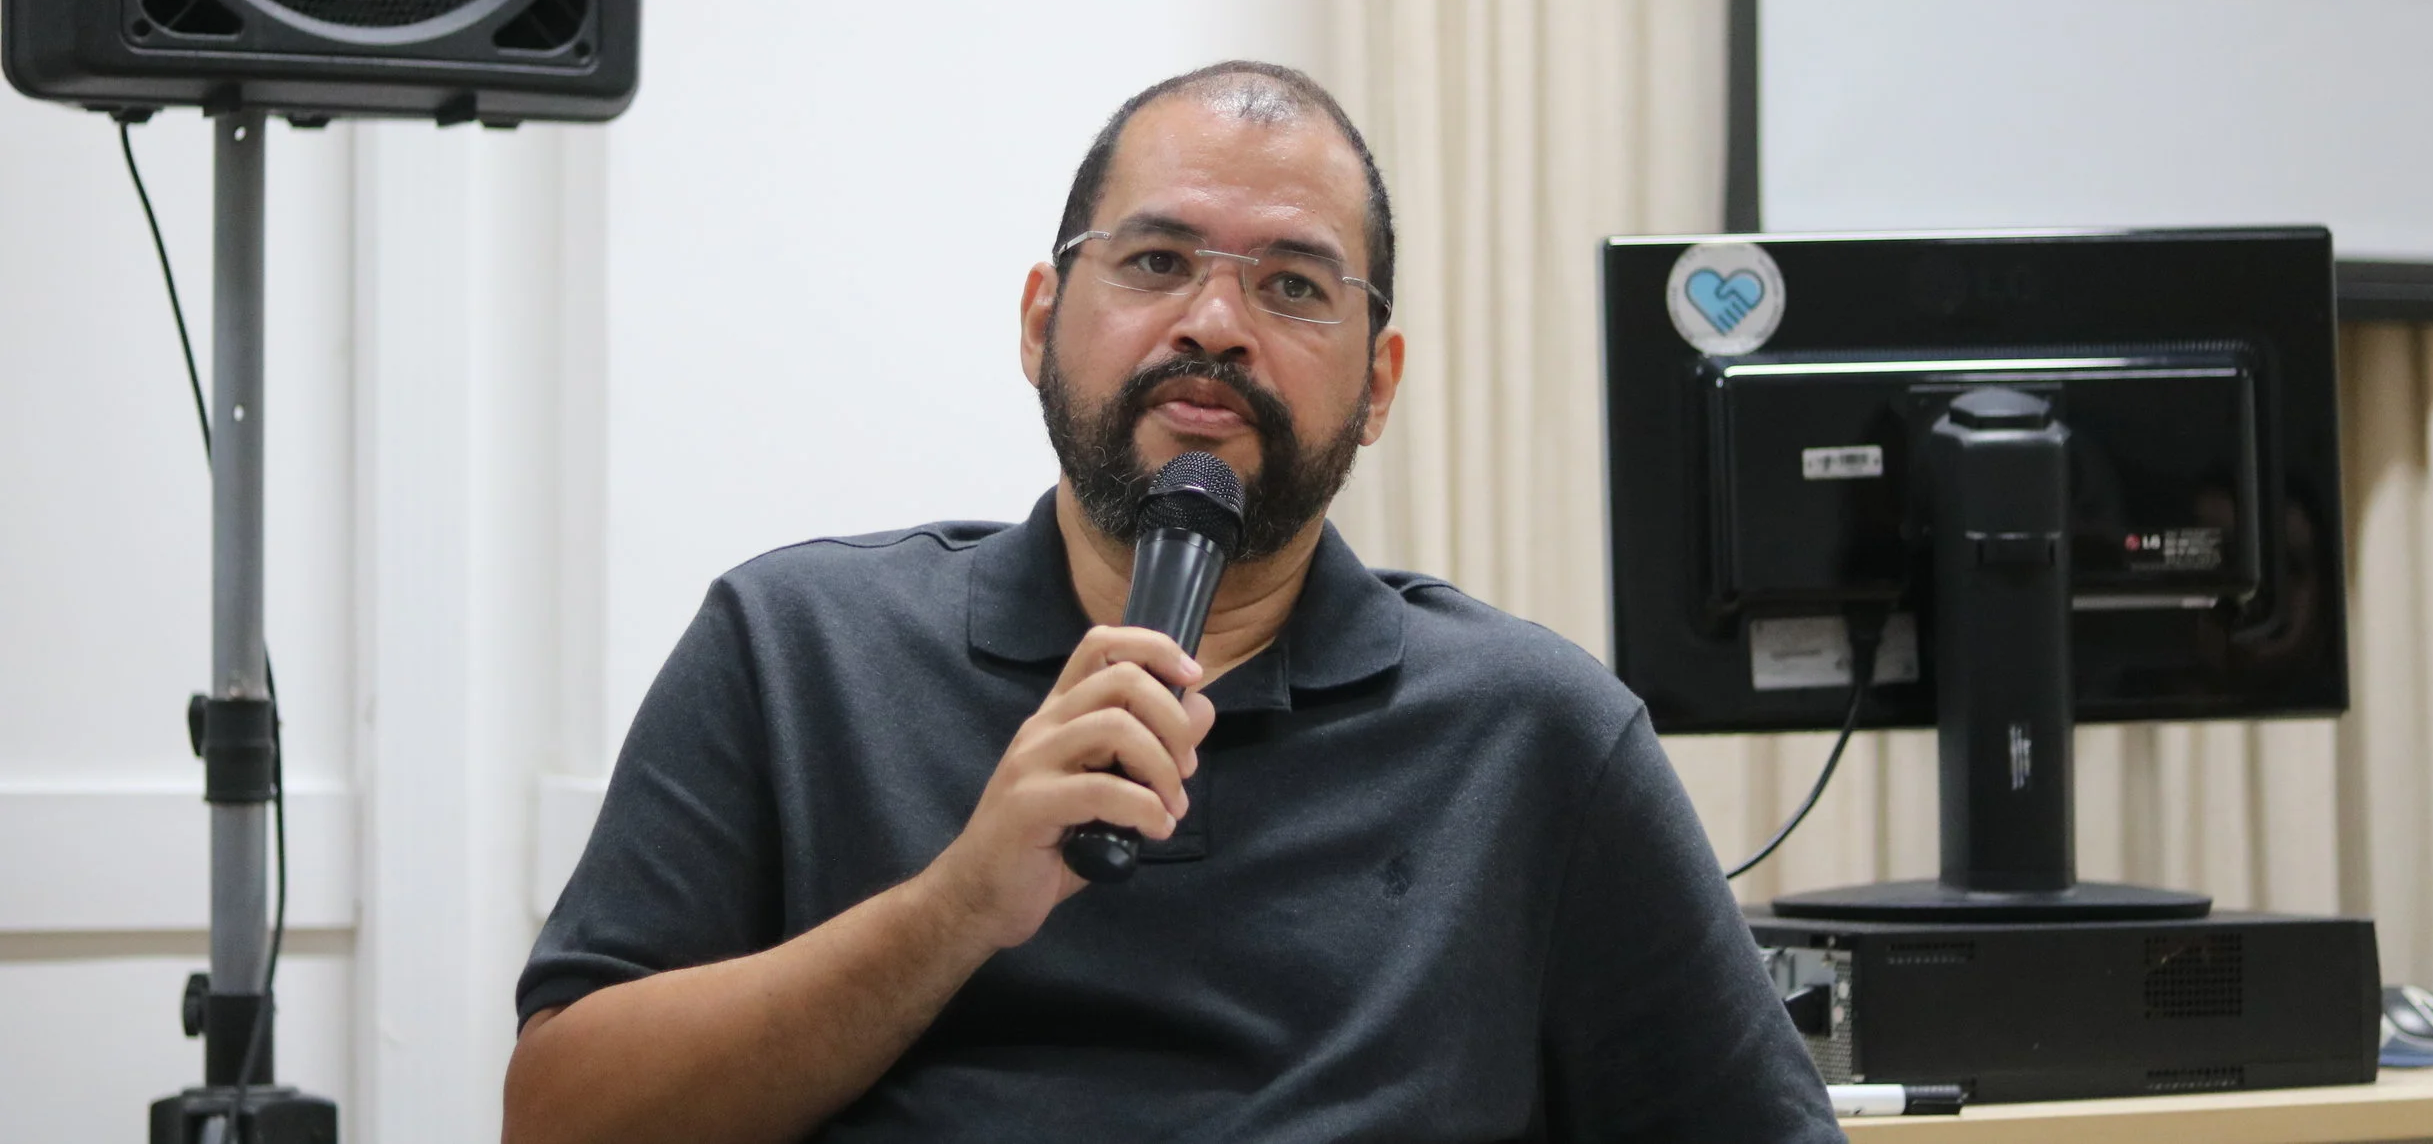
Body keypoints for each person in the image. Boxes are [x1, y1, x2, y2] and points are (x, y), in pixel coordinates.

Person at [505, 62, 1842, 1143]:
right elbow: (560, 1115)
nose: (1214, 321)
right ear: (1040, 320)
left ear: (1377, 384)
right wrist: (960, 901)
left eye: (1293, 284)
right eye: (1154, 262)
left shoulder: (1538, 735)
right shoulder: (792, 647)